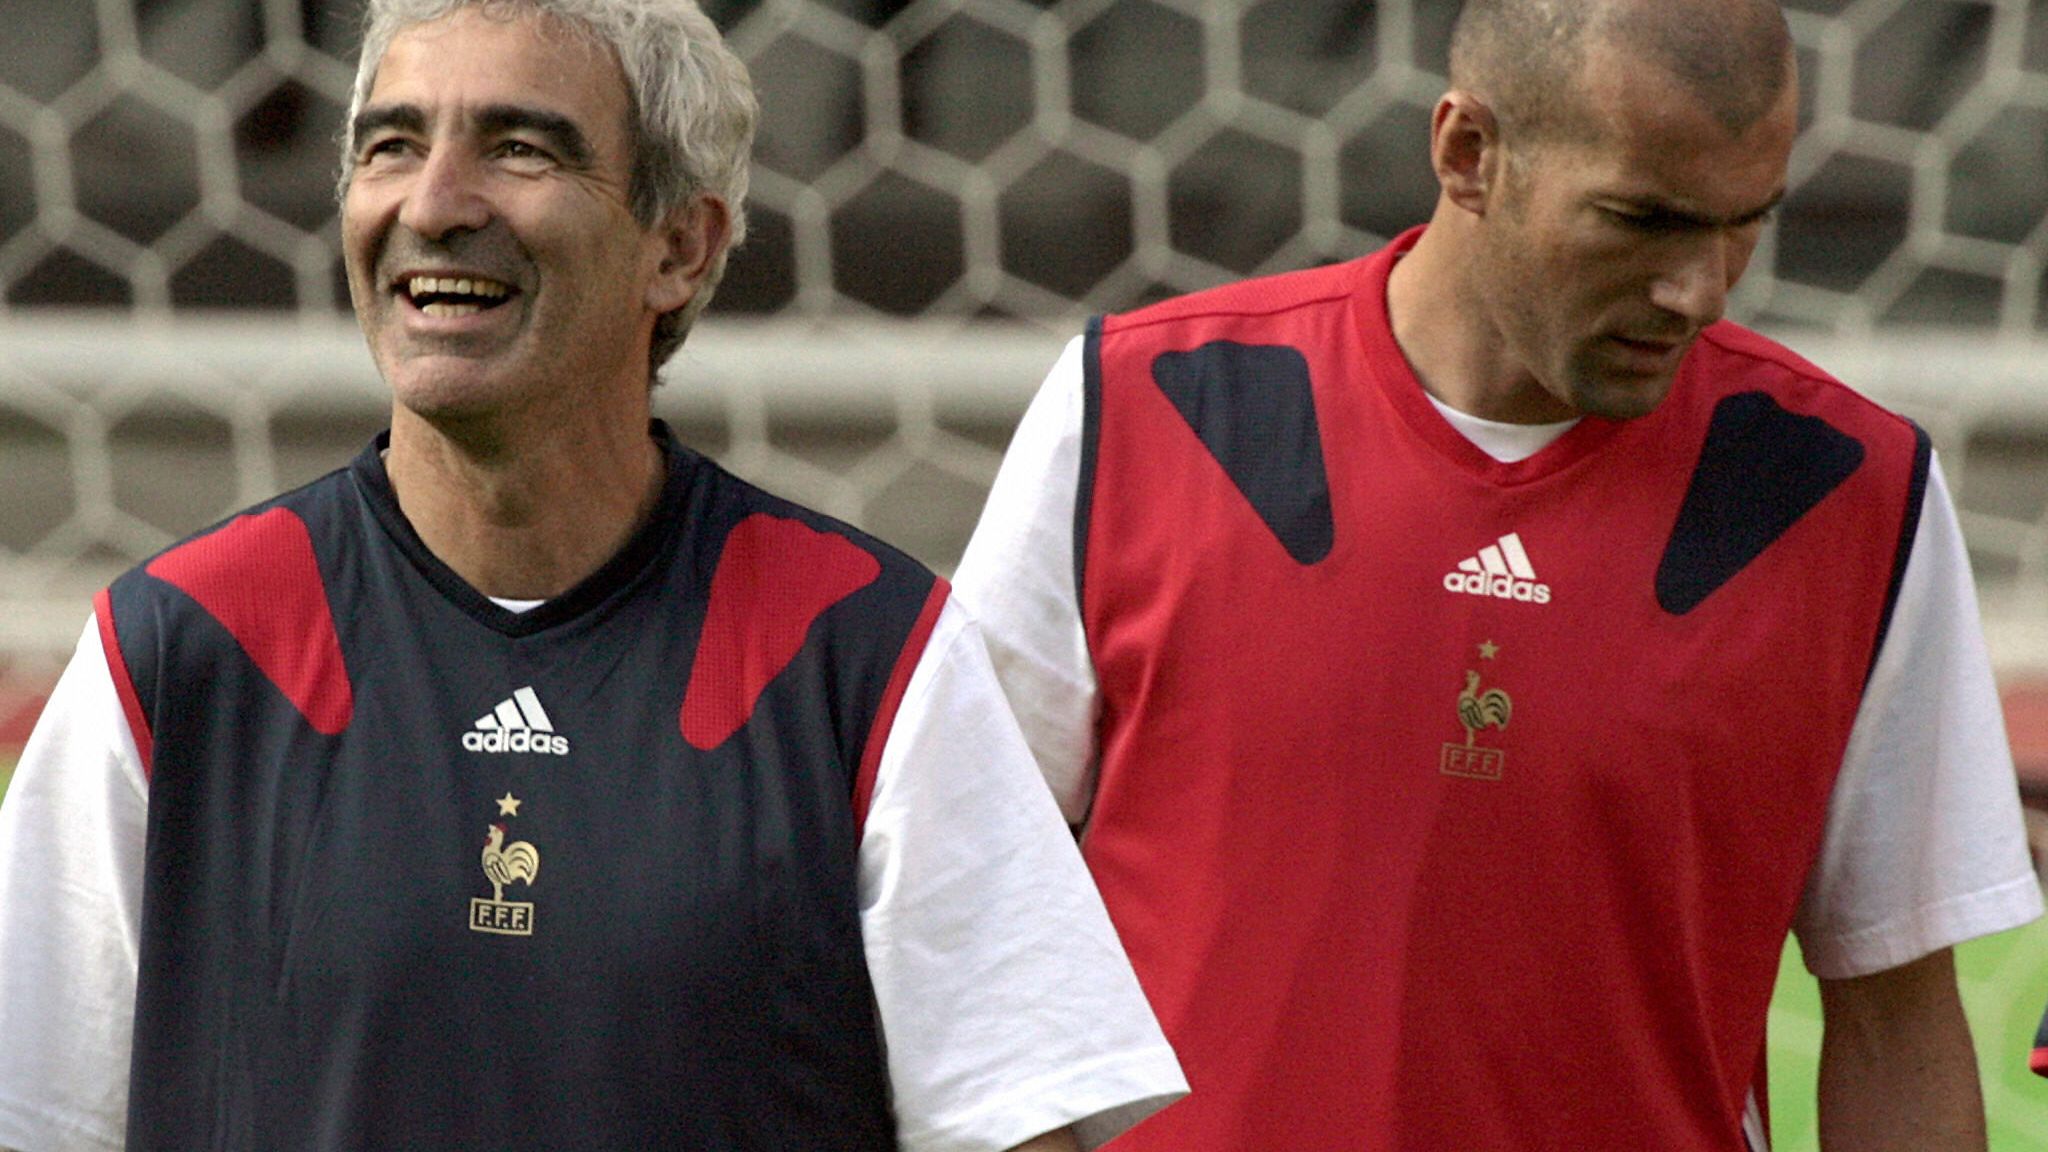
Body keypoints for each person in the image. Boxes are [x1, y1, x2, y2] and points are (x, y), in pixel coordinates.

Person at [0, 2, 1186, 1150]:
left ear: (679, 247)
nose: (435, 201)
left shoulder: (858, 648)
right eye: (393, 146)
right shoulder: (184, 640)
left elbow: (1013, 1123)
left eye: (518, 148)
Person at [952, 0, 2041, 1148]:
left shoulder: (1844, 490)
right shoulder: (1139, 408)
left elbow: (1893, 1026)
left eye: (1742, 224)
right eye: (1641, 221)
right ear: (1467, 153)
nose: (1700, 289)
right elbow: (964, 915)